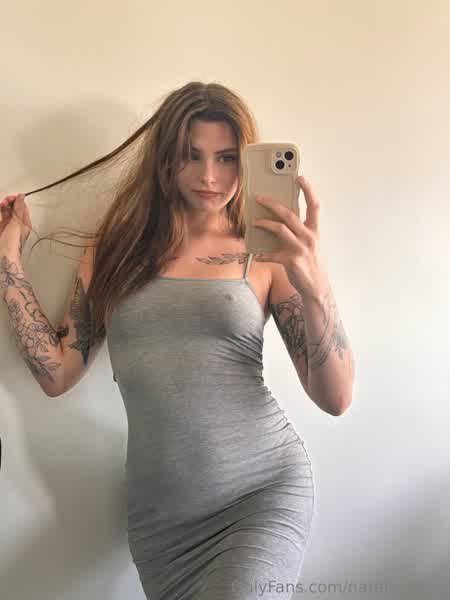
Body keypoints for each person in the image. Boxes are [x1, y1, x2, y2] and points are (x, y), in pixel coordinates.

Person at [0, 81, 354, 599]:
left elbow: (336, 397)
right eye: (191, 155)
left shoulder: (266, 255)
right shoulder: (112, 251)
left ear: (245, 161)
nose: (209, 176)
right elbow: (56, 374)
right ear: (164, 158)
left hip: (260, 492)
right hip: (162, 523)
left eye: (226, 158)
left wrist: (315, 283)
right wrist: (8, 257)